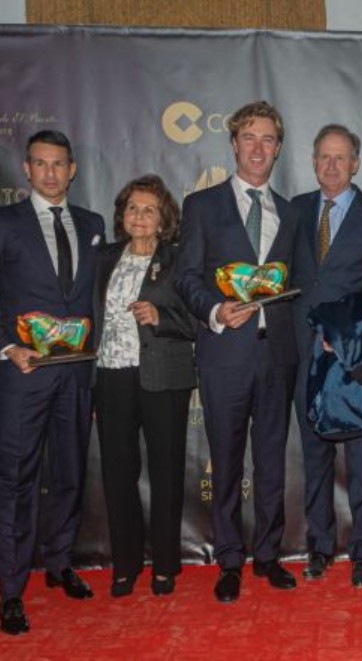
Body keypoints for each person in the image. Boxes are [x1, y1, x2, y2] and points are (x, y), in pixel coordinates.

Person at [175, 101, 299, 603]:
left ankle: (267, 554)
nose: (258, 148)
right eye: (249, 137)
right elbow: (186, 276)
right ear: (233, 143)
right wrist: (215, 310)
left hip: (277, 356)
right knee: (225, 462)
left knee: (271, 461)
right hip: (224, 353)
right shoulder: (202, 205)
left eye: (268, 139)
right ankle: (229, 559)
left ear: (278, 148)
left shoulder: (290, 213)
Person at [0, 130, 105, 635]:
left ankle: (60, 563)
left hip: (76, 375)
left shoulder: (92, 224)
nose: (50, 173)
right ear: (26, 169)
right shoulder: (6, 223)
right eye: (40, 164)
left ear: (72, 169)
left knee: (69, 474)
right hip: (24, 375)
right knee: (16, 481)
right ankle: (10, 589)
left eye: (58, 163)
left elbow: (94, 300)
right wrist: (7, 347)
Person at [290, 124, 362, 589]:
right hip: (301, 351)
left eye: (341, 157)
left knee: (360, 458)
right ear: (314, 162)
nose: (332, 165)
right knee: (314, 454)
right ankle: (319, 547)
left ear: (355, 164)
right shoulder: (294, 211)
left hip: (351, 356)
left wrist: (348, 335)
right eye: (324, 157)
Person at [92, 175, 196, 598]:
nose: (139, 216)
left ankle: (165, 565)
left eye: (148, 210)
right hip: (111, 374)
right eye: (132, 208)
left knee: (166, 471)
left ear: (163, 218)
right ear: (122, 215)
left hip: (164, 376)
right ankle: (125, 564)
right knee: (117, 472)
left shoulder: (179, 259)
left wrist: (161, 317)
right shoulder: (102, 257)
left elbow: (199, 319)